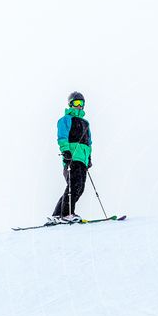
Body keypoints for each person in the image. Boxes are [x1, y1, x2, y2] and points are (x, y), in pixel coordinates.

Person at [52, 91, 93, 221]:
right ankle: (66, 214)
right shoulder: (66, 120)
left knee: (79, 188)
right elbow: (62, 137)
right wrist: (66, 151)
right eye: (76, 102)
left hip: (83, 160)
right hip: (72, 158)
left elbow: (89, 142)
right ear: (70, 104)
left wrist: (89, 158)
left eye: (81, 103)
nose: (79, 105)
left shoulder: (86, 123)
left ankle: (57, 215)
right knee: (74, 186)